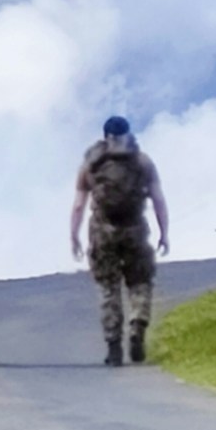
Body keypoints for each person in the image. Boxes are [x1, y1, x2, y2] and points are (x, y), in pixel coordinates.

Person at [69, 113, 171, 365]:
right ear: (128, 134)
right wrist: (164, 232)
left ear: (105, 136)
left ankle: (114, 346)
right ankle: (137, 324)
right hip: (135, 228)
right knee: (140, 282)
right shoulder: (142, 162)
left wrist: (74, 236)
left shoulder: (90, 165)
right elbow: (158, 199)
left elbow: (79, 205)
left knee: (108, 287)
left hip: (102, 231)